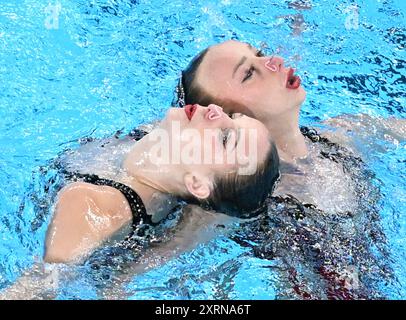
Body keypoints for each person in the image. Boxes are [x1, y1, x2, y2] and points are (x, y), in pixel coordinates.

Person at [175, 40, 404, 298]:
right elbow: (154, 262)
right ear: (227, 118)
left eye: (259, 54)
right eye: (249, 73)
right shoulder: (243, 196)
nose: (274, 61)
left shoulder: (344, 136)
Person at [44, 103, 280, 264]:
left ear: (197, 183)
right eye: (233, 114)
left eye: (226, 138)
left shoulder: (92, 206)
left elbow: (37, 287)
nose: (216, 110)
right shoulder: (178, 205)